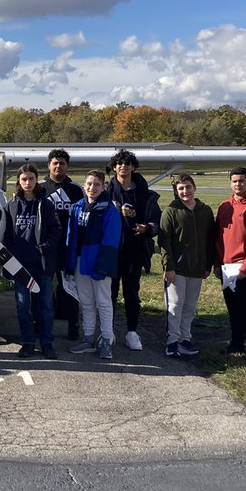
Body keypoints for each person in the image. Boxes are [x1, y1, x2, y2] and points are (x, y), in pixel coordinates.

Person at [4, 164, 61, 360]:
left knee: (45, 305)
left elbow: (56, 231)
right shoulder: (10, 206)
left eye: (31, 179)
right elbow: (7, 237)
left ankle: (47, 343)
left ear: (37, 180)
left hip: (42, 264)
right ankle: (27, 342)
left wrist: (43, 248)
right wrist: (10, 260)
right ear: (19, 182)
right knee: (22, 305)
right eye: (24, 179)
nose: (28, 183)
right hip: (20, 266)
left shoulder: (46, 205)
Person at [106, 149, 161, 351]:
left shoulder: (145, 194)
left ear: (133, 167)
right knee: (109, 294)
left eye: (128, 163)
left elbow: (157, 221)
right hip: (111, 252)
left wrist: (148, 228)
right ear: (114, 167)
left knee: (131, 293)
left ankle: (132, 332)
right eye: (119, 163)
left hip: (134, 251)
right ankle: (107, 331)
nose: (123, 166)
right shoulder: (106, 192)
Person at [158, 174, 216, 359]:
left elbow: (210, 239)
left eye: (188, 187)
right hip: (177, 269)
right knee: (175, 305)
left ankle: (185, 338)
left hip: (197, 268)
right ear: (176, 191)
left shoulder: (205, 210)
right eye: (181, 188)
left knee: (190, 306)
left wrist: (208, 264)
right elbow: (164, 240)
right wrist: (169, 267)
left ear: (194, 188)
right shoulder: (171, 211)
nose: (185, 191)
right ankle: (172, 341)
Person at [66, 170, 122, 360]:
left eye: (97, 184)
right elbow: (71, 237)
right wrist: (70, 262)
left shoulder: (109, 210)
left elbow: (111, 240)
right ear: (84, 185)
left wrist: (103, 265)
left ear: (104, 187)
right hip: (81, 261)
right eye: (89, 184)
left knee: (104, 303)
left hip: (99, 262)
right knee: (87, 303)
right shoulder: (78, 207)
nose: (92, 188)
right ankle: (88, 338)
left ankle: (106, 339)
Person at [214, 167, 246, 361]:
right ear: (230, 183)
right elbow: (218, 237)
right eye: (234, 181)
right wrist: (217, 263)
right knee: (233, 308)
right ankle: (236, 343)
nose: (238, 184)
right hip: (227, 267)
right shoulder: (224, 206)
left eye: (242, 181)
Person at [42, 149, 84, 340]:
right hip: (47, 246)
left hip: (68, 247)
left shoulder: (75, 190)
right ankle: (41, 325)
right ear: (49, 165)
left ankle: (73, 324)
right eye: (55, 163)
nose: (58, 166)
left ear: (68, 166)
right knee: (44, 286)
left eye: (62, 163)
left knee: (70, 287)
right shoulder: (40, 189)